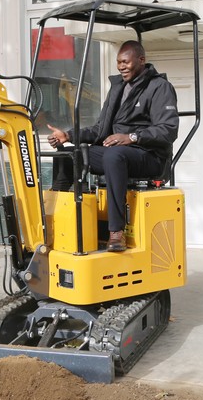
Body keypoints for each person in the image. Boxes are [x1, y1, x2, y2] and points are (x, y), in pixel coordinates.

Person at [47, 40, 179, 252]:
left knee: (113, 156)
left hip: (149, 156)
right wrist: (69, 135)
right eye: (118, 62)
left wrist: (132, 137)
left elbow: (168, 130)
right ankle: (55, 218)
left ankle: (116, 232)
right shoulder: (118, 87)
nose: (121, 66)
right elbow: (100, 129)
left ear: (141, 60)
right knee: (69, 155)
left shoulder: (159, 87)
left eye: (125, 62)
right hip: (119, 152)